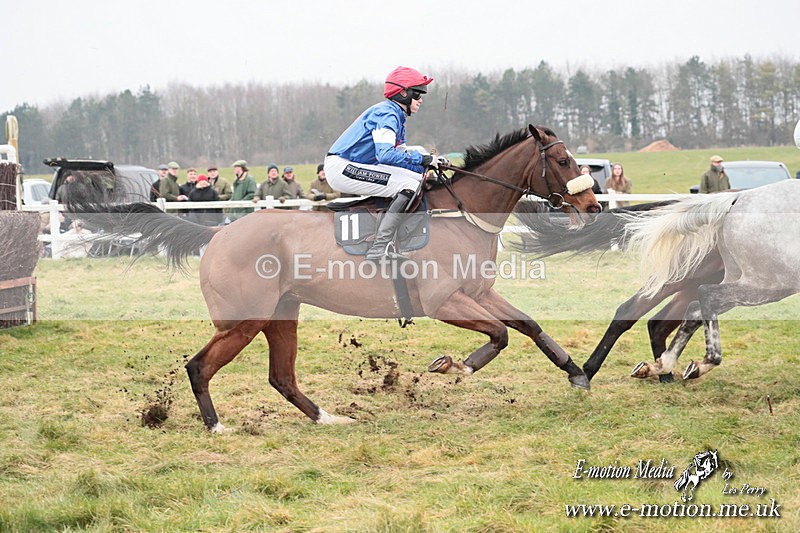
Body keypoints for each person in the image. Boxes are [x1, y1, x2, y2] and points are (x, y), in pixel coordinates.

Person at [324, 66, 447, 261]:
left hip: (359, 164)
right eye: (418, 94)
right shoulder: (386, 114)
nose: (421, 99)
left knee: (417, 178)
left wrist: (428, 165)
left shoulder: (397, 116)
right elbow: (386, 155)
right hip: (341, 167)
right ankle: (379, 248)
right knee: (409, 185)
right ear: (403, 93)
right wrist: (423, 160)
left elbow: (402, 156)